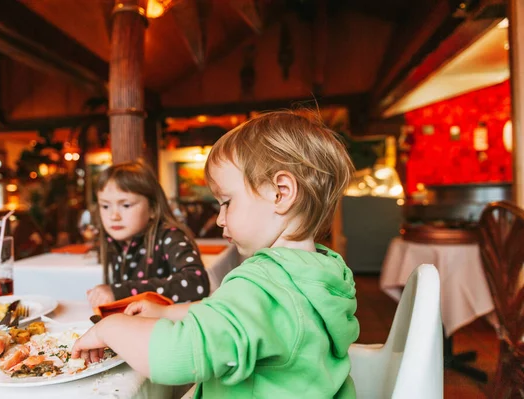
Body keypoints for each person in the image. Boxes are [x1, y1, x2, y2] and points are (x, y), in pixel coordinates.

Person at [73, 111, 360, 398]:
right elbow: (232, 314)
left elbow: (177, 357)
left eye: (226, 202)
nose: (221, 219)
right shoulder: (317, 273)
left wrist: (111, 327)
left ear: (280, 193)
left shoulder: (263, 284)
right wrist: (167, 311)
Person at [86, 161, 210, 307]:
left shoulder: (169, 235)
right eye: (105, 206)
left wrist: (120, 291)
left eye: (126, 205)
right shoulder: (116, 241)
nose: (114, 216)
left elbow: (196, 281)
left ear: (152, 208)